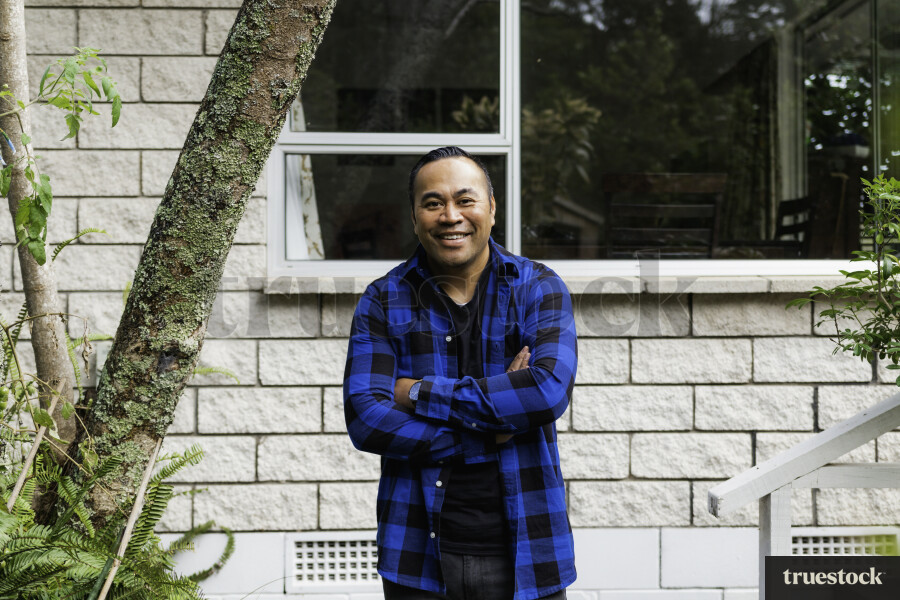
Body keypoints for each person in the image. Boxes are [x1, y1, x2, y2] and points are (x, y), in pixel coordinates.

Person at [343, 146, 577, 600]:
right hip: (416, 556)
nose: (451, 216)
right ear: (415, 216)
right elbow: (365, 418)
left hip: (530, 550)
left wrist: (416, 393)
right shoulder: (383, 300)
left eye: (465, 200)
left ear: (491, 209)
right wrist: (491, 432)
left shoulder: (538, 287)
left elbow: (546, 391)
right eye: (433, 203)